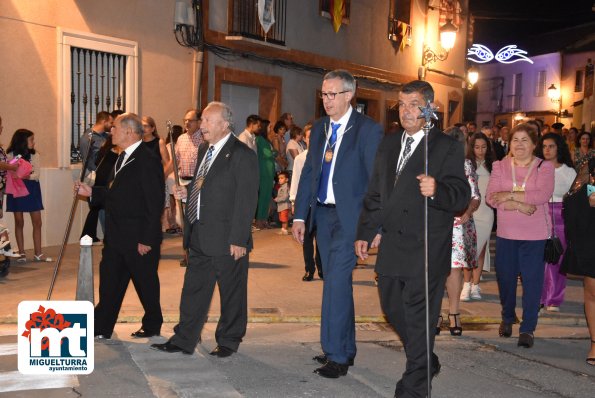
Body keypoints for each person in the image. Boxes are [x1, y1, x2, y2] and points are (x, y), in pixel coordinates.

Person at [355, 80, 470, 397]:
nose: (406, 111)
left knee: (419, 317)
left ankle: (416, 385)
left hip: (426, 247)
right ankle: (425, 357)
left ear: (429, 108)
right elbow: (376, 193)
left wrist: (438, 191)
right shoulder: (389, 144)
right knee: (392, 308)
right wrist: (366, 231)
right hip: (393, 245)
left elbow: (461, 195)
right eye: (402, 104)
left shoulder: (445, 147)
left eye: (414, 104)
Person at [292, 69, 382, 378]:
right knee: (336, 283)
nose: (326, 100)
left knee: (335, 284)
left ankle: (337, 355)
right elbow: (309, 173)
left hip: (351, 220)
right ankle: (344, 346)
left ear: (349, 94)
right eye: (323, 94)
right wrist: (301, 214)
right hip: (323, 214)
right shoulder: (318, 129)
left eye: (332, 94)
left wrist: (375, 228)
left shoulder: (368, 130)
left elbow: (376, 182)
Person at [151, 101, 258, 358]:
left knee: (231, 293)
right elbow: (206, 187)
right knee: (194, 290)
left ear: (225, 124)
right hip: (199, 234)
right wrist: (185, 193)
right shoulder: (203, 151)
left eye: (208, 121)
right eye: (203, 120)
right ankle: (184, 338)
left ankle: (229, 340)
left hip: (228, 238)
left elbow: (246, 200)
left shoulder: (242, 154)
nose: (202, 125)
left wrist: (239, 239)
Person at [75, 113, 165, 340]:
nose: (110, 131)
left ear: (129, 132)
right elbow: (120, 194)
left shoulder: (148, 158)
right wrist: (92, 192)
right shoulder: (120, 157)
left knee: (145, 283)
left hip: (138, 237)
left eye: (114, 128)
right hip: (116, 235)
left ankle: (153, 324)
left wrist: (148, 238)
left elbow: (154, 201)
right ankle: (101, 326)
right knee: (110, 282)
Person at [486, 123, 554, 348]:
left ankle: (528, 328)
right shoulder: (499, 166)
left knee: (532, 282)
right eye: (516, 140)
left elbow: (542, 194)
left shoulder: (544, 167)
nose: (520, 144)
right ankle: (507, 317)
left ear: (535, 144)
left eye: (525, 140)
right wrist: (518, 205)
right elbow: (491, 197)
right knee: (505, 279)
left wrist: (509, 196)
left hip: (535, 235)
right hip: (507, 233)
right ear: (510, 143)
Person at [439, 126, 479, 336]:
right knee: (435, 269)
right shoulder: (434, 163)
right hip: (437, 222)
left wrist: (468, 211)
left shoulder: (466, 165)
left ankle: (454, 313)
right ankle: (435, 313)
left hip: (458, 222)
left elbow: (475, 196)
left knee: (454, 269)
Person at [561, 158, 595, 366]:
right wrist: (586, 199)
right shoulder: (586, 191)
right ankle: (594, 342)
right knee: (592, 291)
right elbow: (570, 207)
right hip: (591, 248)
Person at [536, 133, 576, 311]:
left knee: (556, 259)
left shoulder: (568, 171)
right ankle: (538, 296)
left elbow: (576, 196)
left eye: (551, 146)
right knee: (537, 259)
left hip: (560, 218)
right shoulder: (536, 168)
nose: (547, 150)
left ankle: (553, 298)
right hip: (538, 215)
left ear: (558, 147)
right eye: (544, 146)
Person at [5, 129, 52, 263]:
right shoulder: (11, 154)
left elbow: (36, 174)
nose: (33, 142)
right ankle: (21, 253)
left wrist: (25, 175)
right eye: (31, 139)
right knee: (19, 222)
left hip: (32, 189)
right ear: (22, 141)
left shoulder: (35, 155)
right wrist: (17, 172)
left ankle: (38, 253)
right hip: (17, 189)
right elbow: (10, 170)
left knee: (37, 222)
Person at [461, 132, 496, 298]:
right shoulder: (466, 164)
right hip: (469, 210)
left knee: (481, 249)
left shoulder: (494, 165)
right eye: (477, 147)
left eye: (483, 147)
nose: (480, 150)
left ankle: (475, 285)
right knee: (469, 248)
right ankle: (466, 285)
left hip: (487, 211)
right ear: (471, 147)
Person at [290, 123, 323, 282]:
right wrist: (294, 202)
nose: (313, 140)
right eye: (310, 137)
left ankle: (322, 268)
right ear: (305, 139)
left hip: (321, 206)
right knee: (307, 240)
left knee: (322, 240)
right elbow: (296, 181)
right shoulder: (300, 158)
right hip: (306, 206)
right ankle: (309, 269)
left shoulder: (326, 156)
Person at [79, 111, 113, 244]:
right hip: (95, 176)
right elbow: (86, 159)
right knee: (100, 206)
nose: (111, 125)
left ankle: (92, 235)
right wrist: (98, 172)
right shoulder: (87, 137)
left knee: (101, 207)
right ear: (103, 122)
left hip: (106, 177)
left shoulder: (107, 136)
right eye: (110, 122)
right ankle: (106, 237)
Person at [255, 119, 276, 230]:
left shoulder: (267, 140)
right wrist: (274, 153)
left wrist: (274, 152)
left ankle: (264, 219)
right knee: (263, 197)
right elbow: (268, 153)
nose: (270, 129)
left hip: (269, 171)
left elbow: (273, 152)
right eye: (269, 127)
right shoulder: (259, 139)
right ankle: (259, 220)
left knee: (267, 197)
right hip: (263, 171)